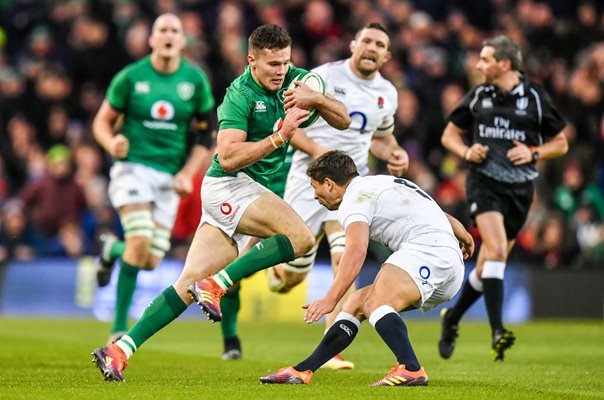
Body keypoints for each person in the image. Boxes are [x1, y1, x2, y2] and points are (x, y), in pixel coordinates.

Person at [91, 23, 350, 382]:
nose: (281, 71)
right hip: (229, 185)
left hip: (248, 193)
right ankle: (217, 284)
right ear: (252, 61)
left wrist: (317, 99)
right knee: (301, 238)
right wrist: (281, 137)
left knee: (185, 284)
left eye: (286, 62)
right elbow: (227, 156)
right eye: (272, 64)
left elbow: (344, 119)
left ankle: (119, 350)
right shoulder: (239, 95)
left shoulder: (296, 81)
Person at [219, 22, 409, 367]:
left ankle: (331, 346)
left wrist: (395, 152)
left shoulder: (388, 93)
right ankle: (261, 269)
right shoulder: (321, 76)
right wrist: (318, 149)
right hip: (308, 181)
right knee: (289, 277)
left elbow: (379, 136)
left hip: (353, 184)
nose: (371, 47)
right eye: (365, 39)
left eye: (379, 43)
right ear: (353, 44)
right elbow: (289, 128)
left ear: (387, 54)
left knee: (346, 252)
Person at [259, 150, 474, 386]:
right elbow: (428, 208)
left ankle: (411, 368)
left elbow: (356, 250)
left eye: (315, 187)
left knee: (376, 304)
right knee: (356, 305)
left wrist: (330, 298)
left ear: (329, 184)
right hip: (447, 262)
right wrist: (461, 231)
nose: (314, 196)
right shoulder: (381, 182)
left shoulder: (353, 200)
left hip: (429, 252)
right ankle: (303, 370)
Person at [438, 35, 569, 361]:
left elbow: (562, 143)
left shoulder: (536, 98)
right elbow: (449, 135)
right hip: (484, 184)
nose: (479, 65)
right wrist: (467, 151)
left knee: (488, 265)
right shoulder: (479, 96)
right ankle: (498, 329)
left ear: (505, 64)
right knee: (494, 249)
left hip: (521, 190)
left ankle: (452, 318)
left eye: (485, 59)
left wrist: (535, 151)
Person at [91, 13, 216, 343]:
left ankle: (111, 249)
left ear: (182, 40)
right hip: (131, 168)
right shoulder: (130, 77)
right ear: (151, 39)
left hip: (169, 177)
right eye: (162, 30)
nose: (168, 35)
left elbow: (207, 135)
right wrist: (110, 142)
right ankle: (118, 329)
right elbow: (101, 122)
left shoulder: (195, 81)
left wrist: (189, 172)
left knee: (150, 259)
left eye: (175, 30)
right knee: (140, 239)